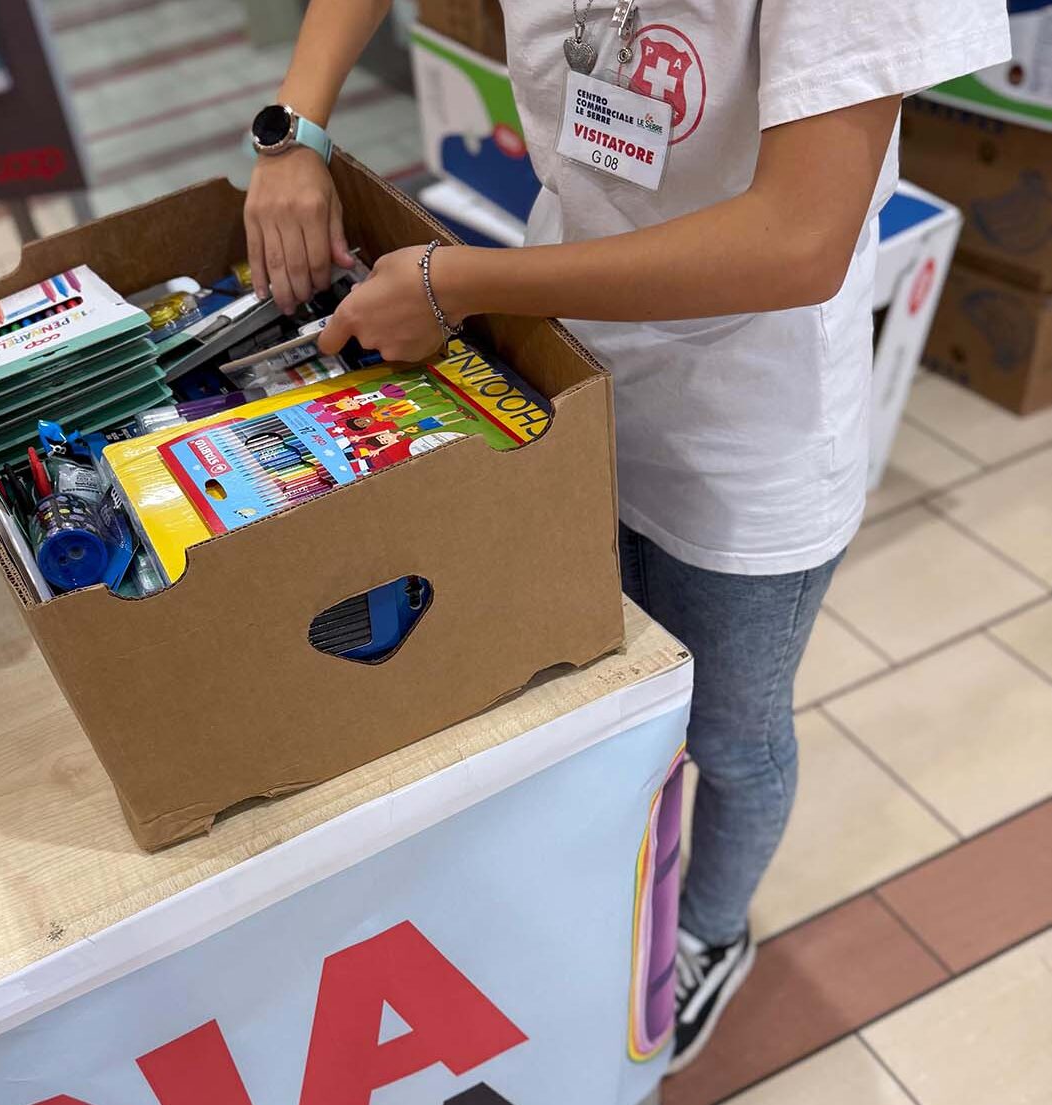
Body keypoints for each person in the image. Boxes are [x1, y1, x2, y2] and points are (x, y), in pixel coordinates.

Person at [243, 0, 1010, 1072]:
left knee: (732, 735)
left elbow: (800, 240)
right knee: (580, 691)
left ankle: (709, 930)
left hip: (746, 429)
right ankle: (595, 895)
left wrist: (457, 284)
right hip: (565, 366)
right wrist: (296, 130)